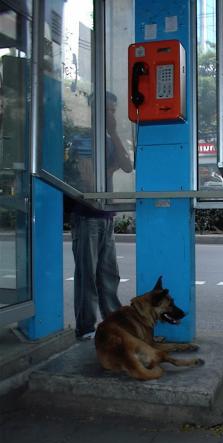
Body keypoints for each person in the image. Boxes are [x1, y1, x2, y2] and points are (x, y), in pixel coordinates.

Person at [65, 92, 133, 340]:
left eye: (114, 111)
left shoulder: (109, 140)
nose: (112, 116)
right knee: (87, 276)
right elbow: (89, 181)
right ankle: (86, 328)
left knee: (108, 275)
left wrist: (114, 134)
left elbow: (127, 165)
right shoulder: (81, 140)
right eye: (108, 111)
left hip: (106, 216)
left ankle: (112, 324)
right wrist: (109, 170)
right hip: (86, 216)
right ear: (94, 111)